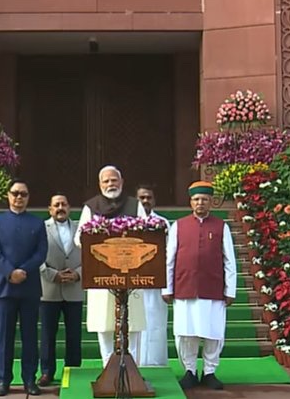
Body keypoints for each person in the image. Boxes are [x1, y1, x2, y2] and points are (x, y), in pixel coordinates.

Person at [162, 181, 237, 391]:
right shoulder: (179, 226)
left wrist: (230, 289)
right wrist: (167, 288)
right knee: (186, 333)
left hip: (213, 288)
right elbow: (169, 259)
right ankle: (190, 371)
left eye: (204, 199)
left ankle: (210, 371)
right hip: (184, 287)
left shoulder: (221, 226)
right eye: (196, 199)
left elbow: (229, 260)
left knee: (213, 332)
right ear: (191, 202)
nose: (200, 203)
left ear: (211, 202)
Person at [73, 165, 147, 365]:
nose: (110, 184)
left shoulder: (135, 205)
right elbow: (79, 238)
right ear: (100, 184)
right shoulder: (91, 207)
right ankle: (108, 366)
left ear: (121, 182)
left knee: (133, 322)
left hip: (131, 272)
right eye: (106, 181)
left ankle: (133, 367)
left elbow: (147, 233)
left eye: (114, 180)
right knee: (103, 322)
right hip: (101, 272)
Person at [0, 180, 48, 396]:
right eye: (15, 193)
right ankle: (4, 380)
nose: (19, 197)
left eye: (23, 194)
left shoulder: (37, 223)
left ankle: (30, 380)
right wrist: (10, 272)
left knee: (30, 337)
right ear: (8, 195)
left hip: (29, 287)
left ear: (28, 197)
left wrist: (23, 270)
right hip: (5, 288)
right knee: (5, 337)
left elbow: (41, 253)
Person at [38, 194, 84, 386]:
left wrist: (78, 274)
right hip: (49, 289)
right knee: (48, 334)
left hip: (74, 288)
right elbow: (35, 256)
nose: (60, 208)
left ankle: (73, 370)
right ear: (50, 209)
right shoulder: (41, 229)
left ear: (69, 207)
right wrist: (52, 274)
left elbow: (90, 255)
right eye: (56, 205)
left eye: (63, 204)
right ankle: (47, 371)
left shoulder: (81, 228)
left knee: (74, 334)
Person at [135, 184, 171, 367]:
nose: (145, 201)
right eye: (141, 198)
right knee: (135, 324)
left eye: (148, 197)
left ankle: (156, 363)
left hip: (157, 282)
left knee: (156, 323)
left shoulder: (162, 223)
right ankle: (135, 363)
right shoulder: (128, 222)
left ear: (154, 200)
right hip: (134, 282)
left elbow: (170, 254)